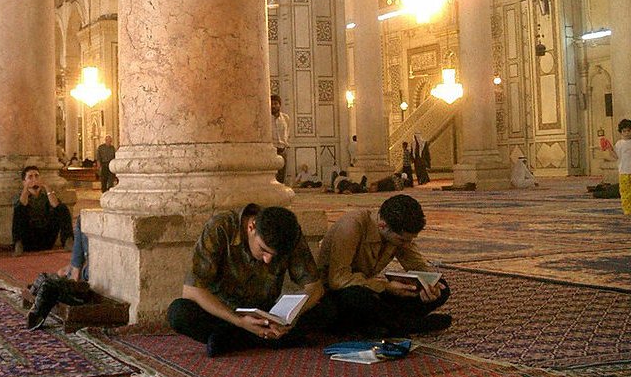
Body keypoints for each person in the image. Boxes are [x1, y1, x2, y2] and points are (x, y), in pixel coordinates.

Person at [167, 203, 335, 357]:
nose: (268, 259)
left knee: (327, 306)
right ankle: (262, 338)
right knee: (179, 312)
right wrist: (239, 321)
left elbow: (314, 286)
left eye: (274, 255)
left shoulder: (290, 233)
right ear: (251, 227)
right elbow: (192, 290)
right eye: (263, 250)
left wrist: (291, 317)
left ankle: (237, 340)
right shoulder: (221, 228)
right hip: (224, 315)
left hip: (267, 314)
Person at [318, 194, 451, 336]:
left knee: (442, 289)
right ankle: (404, 325)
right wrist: (386, 287)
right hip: (339, 293)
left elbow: (417, 265)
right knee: (357, 297)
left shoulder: (398, 234)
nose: (407, 244)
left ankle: (386, 324)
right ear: (383, 225)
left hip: (371, 290)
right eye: (402, 240)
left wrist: (430, 284)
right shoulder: (352, 225)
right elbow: (337, 280)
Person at [12, 165, 74, 256]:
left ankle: (68, 240)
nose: (34, 179)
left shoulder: (47, 196)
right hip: (29, 239)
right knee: (19, 209)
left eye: (36, 176)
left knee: (62, 208)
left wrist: (46, 186)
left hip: (46, 237)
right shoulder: (20, 196)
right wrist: (26, 188)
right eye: (30, 177)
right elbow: (21, 206)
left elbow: (55, 205)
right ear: (24, 181)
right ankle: (18, 245)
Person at [608, 118, 631, 215]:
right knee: (625, 192)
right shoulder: (619, 144)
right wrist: (609, 149)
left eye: (629, 131)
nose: (627, 133)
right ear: (621, 132)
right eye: (624, 131)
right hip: (624, 172)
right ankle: (628, 210)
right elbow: (615, 156)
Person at [271, 94, 290, 184]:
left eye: (275, 103)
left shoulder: (285, 118)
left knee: (281, 177)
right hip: (271, 150)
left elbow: (287, 131)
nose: (273, 106)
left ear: (280, 105)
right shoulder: (266, 119)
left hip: (282, 150)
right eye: (272, 104)